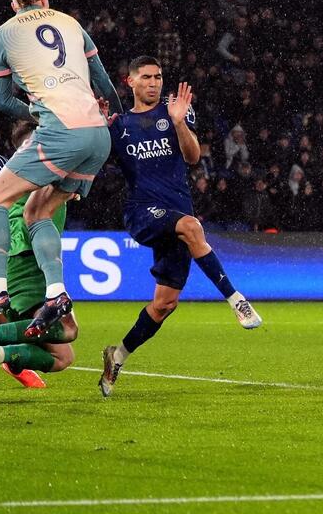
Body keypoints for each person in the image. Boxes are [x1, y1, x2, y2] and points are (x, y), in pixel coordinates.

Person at [98, 56, 262, 398]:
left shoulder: (175, 113)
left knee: (164, 304)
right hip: (142, 212)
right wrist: (95, 131)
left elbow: (192, 156)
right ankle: (236, 300)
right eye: (146, 77)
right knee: (192, 226)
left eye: (158, 77)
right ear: (130, 82)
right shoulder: (118, 126)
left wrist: (178, 123)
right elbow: (95, 162)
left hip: (176, 213)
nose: (154, 83)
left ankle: (117, 356)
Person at [0, 0, 123, 337]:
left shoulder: (2, 34)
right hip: (98, 136)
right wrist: (116, 118)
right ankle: (55, 293)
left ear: (15, 5)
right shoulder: (71, 23)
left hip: (61, 132)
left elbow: (3, 101)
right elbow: (103, 81)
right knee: (37, 212)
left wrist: (37, 114)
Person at [0, 120, 77, 387]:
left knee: (63, 357)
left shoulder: (21, 171)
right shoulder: (36, 168)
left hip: (22, 263)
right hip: (24, 261)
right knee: (67, 329)